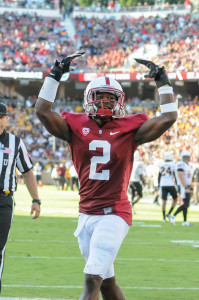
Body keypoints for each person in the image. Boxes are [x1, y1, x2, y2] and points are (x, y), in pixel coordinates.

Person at [35, 52, 177, 300]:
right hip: (86, 214)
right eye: (100, 96)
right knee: (107, 284)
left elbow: (168, 117)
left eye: (111, 97)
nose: (106, 102)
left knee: (92, 280)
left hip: (114, 214)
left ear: (119, 101)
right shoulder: (75, 126)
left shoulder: (130, 129)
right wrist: (55, 75)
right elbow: (42, 111)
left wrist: (162, 81)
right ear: (89, 99)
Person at [0, 102, 41, 293]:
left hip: (4, 201)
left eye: (1, 117)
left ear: (7, 119)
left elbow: (27, 172)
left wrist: (36, 199)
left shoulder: (15, 143)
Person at [170, 150, 194, 226]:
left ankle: (185, 221)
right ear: (182, 157)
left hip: (186, 186)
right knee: (185, 204)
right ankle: (173, 215)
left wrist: (191, 188)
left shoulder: (189, 165)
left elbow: (189, 178)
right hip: (182, 186)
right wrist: (186, 187)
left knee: (186, 204)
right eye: (185, 157)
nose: (187, 158)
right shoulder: (181, 164)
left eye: (188, 157)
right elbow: (181, 176)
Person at [158, 151, 178, 222]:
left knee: (164, 201)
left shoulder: (161, 164)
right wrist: (177, 185)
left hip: (163, 184)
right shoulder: (173, 164)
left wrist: (158, 185)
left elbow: (159, 176)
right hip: (171, 184)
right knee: (175, 199)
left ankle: (164, 218)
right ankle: (169, 213)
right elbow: (175, 175)